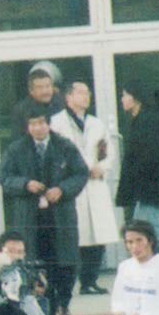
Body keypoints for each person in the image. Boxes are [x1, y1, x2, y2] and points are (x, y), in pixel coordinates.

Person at [0, 108, 89, 315]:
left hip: (60, 215)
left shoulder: (64, 146)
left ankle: (63, 304)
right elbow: (4, 176)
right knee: (34, 263)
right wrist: (25, 184)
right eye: (33, 124)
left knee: (65, 263)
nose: (37, 128)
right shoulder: (16, 149)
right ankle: (43, 308)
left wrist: (62, 189)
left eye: (41, 123)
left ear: (48, 124)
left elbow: (81, 173)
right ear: (27, 127)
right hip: (30, 217)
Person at [51, 80, 120, 296]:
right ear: (68, 97)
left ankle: (90, 281)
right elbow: (55, 155)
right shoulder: (57, 123)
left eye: (88, 93)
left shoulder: (96, 124)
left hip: (95, 184)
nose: (86, 96)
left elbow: (108, 152)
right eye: (81, 93)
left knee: (98, 234)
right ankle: (70, 282)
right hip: (72, 185)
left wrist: (102, 167)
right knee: (76, 235)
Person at [116, 81, 159, 254]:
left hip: (150, 187)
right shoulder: (139, 120)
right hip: (146, 189)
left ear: (136, 98)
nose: (122, 99)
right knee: (142, 230)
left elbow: (149, 157)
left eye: (125, 95)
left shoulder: (148, 120)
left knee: (149, 230)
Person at [11, 65, 66, 138]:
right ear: (31, 91)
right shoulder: (21, 110)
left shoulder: (63, 104)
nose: (45, 91)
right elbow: (18, 139)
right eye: (40, 87)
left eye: (48, 86)